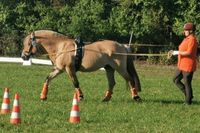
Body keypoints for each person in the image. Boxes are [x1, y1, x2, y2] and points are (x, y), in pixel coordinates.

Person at [169, 22, 198, 105]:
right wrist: (174, 52)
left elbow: (189, 52)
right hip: (181, 65)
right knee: (175, 80)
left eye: (186, 30)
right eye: (184, 30)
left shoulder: (192, 40)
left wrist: (177, 52)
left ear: (191, 31)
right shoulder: (186, 39)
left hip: (188, 65)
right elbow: (182, 49)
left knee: (187, 83)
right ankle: (189, 95)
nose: (184, 31)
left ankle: (188, 101)